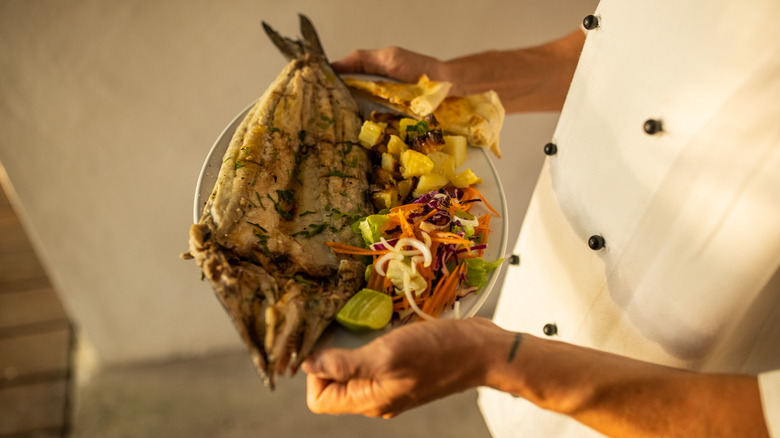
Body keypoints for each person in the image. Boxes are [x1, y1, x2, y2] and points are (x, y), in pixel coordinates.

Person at [301, 1, 780, 436]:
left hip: (691, 396)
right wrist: (454, 87)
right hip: (542, 289)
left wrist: (496, 359)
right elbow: (639, 41)